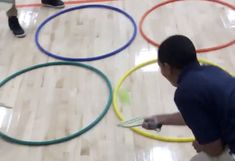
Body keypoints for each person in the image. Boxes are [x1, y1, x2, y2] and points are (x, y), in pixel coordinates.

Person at [142, 35, 235, 161]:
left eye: (160, 67)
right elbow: (201, 113)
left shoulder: (186, 93)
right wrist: (161, 119)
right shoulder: (213, 71)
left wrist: (202, 145)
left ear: (167, 68)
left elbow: (215, 149)